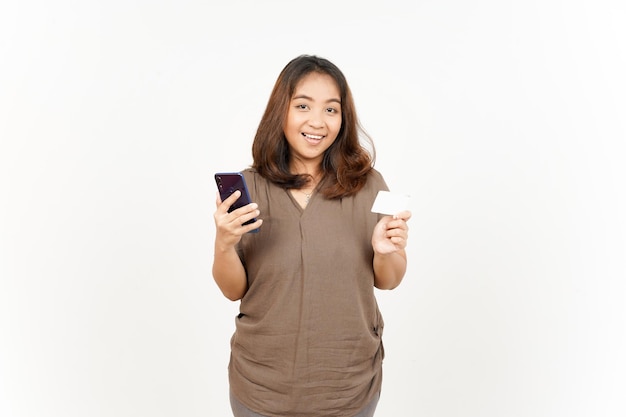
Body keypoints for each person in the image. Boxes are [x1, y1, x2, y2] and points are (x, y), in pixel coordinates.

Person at [212, 54, 411, 417]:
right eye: (303, 106)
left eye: (331, 110)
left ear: (343, 118)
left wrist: (385, 251)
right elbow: (232, 290)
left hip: (347, 386)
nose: (317, 122)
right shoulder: (250, 186)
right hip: (261, 386)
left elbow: (390, 280)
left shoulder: (369, 186)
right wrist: (224, 244)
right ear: (281, 112)